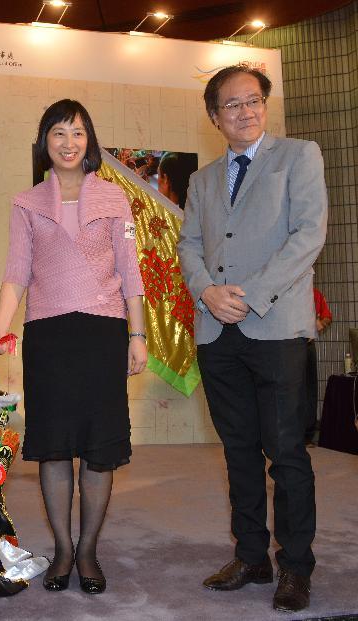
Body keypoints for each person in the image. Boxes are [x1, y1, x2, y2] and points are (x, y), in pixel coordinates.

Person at [178, 65, 327, 613]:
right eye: (231, 105)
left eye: (253, 100)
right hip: (218, 332)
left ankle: (296, 566)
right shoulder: (202, 179)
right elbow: (188, 245)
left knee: (286, 452)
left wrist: (250, 293)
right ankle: (250, 556)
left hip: (276, 325)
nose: (245, 111)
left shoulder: (299, 156)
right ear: (214, 117)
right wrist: (208, 292)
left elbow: (308, 234)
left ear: (265, 105)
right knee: (237, 450)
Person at [0, 99, 147, 595]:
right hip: (49, 335)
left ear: (89, 141)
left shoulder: (116, 201)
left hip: (102, 334)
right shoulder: (26, 202)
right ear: (44, 143)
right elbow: (17, 272)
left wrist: (137, 336)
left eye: (77, 133)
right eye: (58, 133)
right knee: (55, 451)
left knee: (98, 451)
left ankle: (90, 551)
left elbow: (130, 273)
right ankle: (61, 550)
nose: (68, 143)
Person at [305, 287, 332, 443]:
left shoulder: (315, 294)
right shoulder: (285, 290)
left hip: (307, 345)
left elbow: (327, 316)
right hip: (287, 346)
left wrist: (321, 323)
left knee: (309, 389)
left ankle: (308, 433)